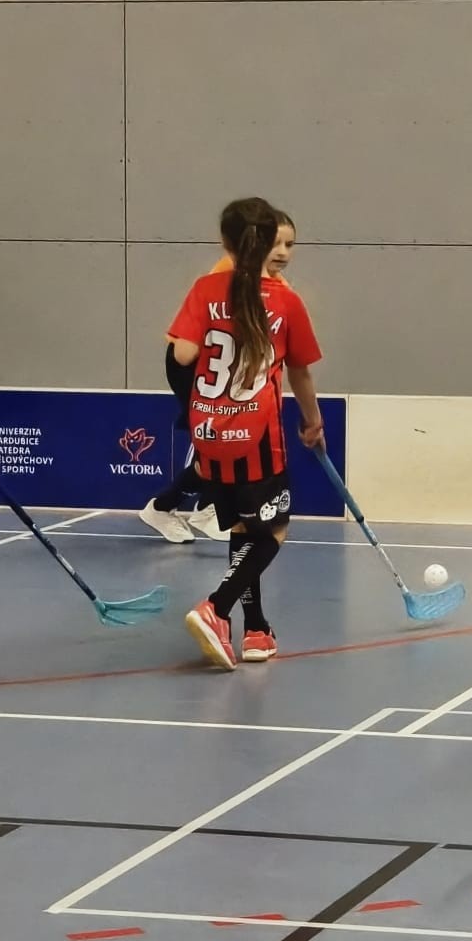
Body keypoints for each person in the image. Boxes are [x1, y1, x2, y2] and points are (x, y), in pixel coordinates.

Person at [169, 198, 322, 669]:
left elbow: (182, 355)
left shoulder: (205, 288)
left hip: (210, 434)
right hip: (257, 438)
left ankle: (255, 630)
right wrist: (313, 421)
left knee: (242, 528)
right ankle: (216, 608)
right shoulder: (286, 301)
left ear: (225, 243)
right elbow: (300, 372)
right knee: (273, 529)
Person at [141, 209, 299, 544]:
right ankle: (174, 507)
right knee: (217, 447)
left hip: (231, 368)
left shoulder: (278, 284)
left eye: (289, 244)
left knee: (229, 446)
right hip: (197, 363)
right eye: (275, 243)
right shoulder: (231, 271)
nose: (282, 252)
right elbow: (191, 346)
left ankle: (198, 506)